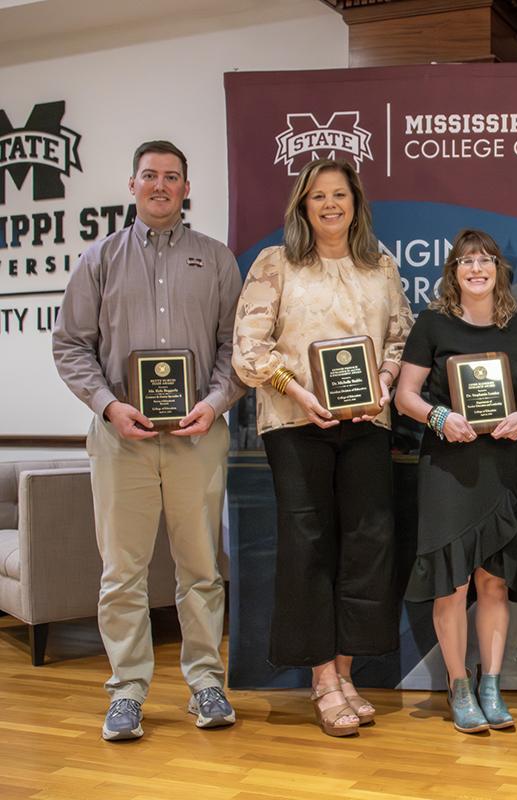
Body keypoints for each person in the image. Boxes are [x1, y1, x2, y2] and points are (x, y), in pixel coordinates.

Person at [52, 140, 244, 741]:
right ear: (132, 185)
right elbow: (70, 345)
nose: (161, 185)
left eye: (173, 177)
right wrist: (109, 406)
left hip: (197, 439)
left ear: (188, 189)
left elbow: (236, 350)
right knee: (122, 574)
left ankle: (206, 684)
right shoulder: (98, 260)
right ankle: (127, 692)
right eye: (150, 176)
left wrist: (213, 405)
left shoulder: (216, 260)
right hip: (121, 440)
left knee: (202, 570)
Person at [231, 158, 413, 738]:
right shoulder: (275, 263)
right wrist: (298, 392)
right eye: (318, 197)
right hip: (294, 421)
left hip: (367, 420)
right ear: (302, 206)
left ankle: (348, 673)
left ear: (355, 203)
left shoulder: (380, 265)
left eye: (340, 194)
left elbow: (401, 335)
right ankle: (321, 681)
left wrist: (383, 383)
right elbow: (248, 349)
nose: (330, 204)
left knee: (366, 544)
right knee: (309, 544)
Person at [395, 229, 517, 733]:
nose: (476, 268)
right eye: (466, 261)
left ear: (500, 269)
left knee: (494, 583)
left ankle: (491, 685)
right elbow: (405, 396)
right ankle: (459, 686)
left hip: (503, 468)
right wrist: (439, 418)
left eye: (485, 260)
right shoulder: (432, 325)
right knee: (452, 586)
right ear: (453, 271)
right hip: (448, 470)